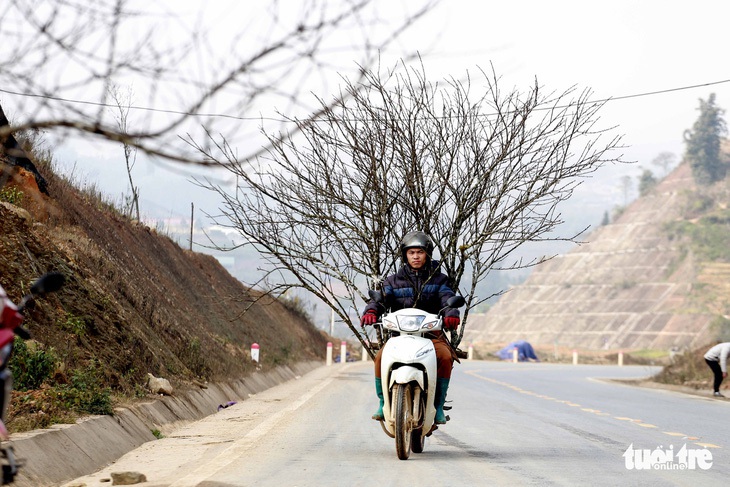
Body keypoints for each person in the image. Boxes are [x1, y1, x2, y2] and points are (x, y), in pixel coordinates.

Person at [360, 231, 460, 424]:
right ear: (405, 255)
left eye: (420, 252)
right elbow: (380, 300)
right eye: (411, 252)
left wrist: (451, 315)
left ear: (427, 254)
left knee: (445, 357)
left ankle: (437, 406)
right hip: (400, 336)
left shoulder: (439, 280)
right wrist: (371, 311)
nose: (415, 256)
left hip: (431, 335)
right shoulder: (392, 281)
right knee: (381, 357)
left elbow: (448, 299)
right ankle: (383, 403)